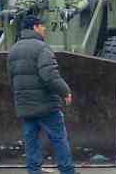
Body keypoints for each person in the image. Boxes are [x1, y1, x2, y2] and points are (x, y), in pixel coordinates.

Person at [7, 15, 78, 174]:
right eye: (42, 26)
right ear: (35, 27)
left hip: (25, 106)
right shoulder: (42, 48)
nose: (44, 29)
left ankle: (33, 171)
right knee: (59, 138)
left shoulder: (13, 50)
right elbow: (50, 76)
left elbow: (11, 79)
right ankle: (67, 170)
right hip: (46, 106)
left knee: (31, 141)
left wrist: (21, 97)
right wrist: (65, 91)